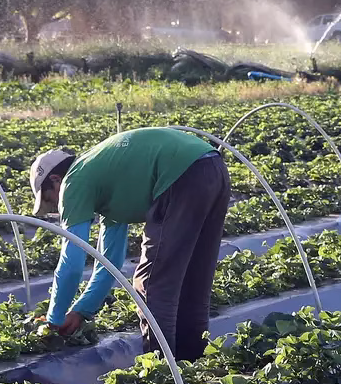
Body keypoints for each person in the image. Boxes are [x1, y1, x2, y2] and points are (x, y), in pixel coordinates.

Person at [29, 127, 231, 360]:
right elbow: (109, 264)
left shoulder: (74, 181)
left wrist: (54, 319)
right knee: (193, 280)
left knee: (152, 283)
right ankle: (191, 365)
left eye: (49, 199)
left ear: (56, 180)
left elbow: (73, 261)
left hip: (180, 174)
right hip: (212, 166)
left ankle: (162, 372)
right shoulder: (103, 180)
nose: (55, 208)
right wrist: (80, 310)